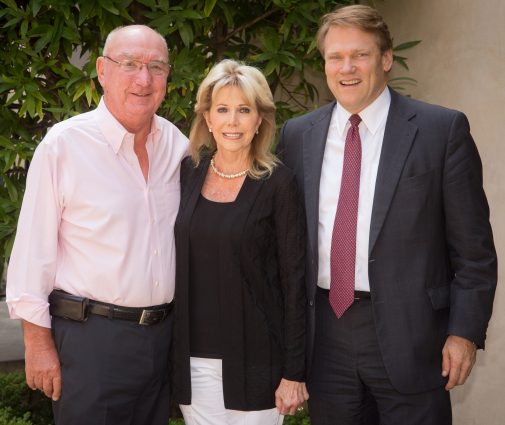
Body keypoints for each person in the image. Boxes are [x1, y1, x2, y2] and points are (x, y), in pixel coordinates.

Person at [277, 5, 497, 425]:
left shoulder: (440, 130)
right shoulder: (297, 134)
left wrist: (464, 331)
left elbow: (474, 252)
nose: (347, 68)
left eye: (359, 54)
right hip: (326, 338)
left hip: (414, 338)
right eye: (335, 57)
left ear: (386, 58)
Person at [6, 25, 188, 425]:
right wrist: (37, 344)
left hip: (162, 340)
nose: (144, 79)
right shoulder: (64, 146)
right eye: (130, 65)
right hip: (91, 341)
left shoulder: (178, 146)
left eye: (156, 67)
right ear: (102, 71)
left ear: (167, 77)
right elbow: (32, 254)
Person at [172, 59, 309, 425]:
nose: (232, 122)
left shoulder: (279, 183)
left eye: (243, 110)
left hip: (258, 362)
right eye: (223, 110)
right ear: (207, 118)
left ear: (259, 119)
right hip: (193, 363)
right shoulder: (188, 174)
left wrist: (294, 372)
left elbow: (294, 282)